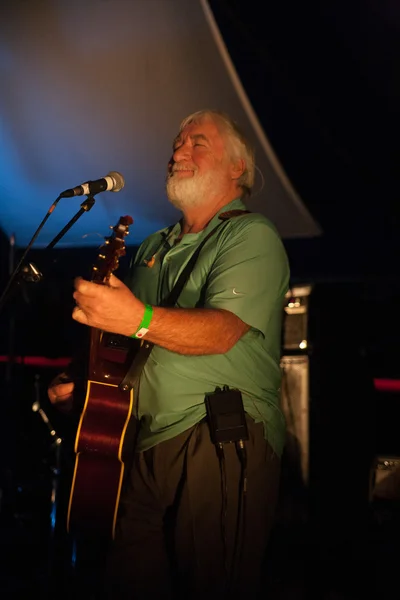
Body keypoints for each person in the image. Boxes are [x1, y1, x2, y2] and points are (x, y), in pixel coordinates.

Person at [48, 108, 290, 599]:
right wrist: (87, 377)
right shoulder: (152, 247)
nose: (178, 153)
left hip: (216, 435)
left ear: (236, 168)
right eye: (177, 145)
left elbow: (221, 332)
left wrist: (135, 317)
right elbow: (127, 344)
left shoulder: (251, 236)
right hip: (139, 443)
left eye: (197, 143)